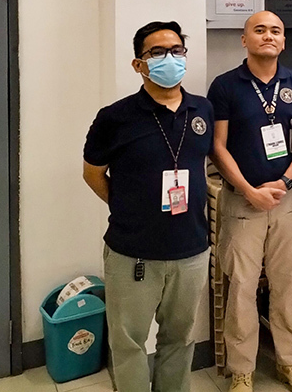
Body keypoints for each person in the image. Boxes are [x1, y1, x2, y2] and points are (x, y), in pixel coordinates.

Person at [82, 21, 213, 392]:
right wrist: (128, 208)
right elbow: (92, 174)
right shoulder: (115, 117)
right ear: (139, 64)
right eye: (157, 52)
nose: (169, 58)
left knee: (180, 339)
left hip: (190, 250)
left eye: (176, 50)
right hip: (132, 253)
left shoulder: (202, 110)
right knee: (128, 343)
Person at [207, 11, 292, 392]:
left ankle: (291, 362)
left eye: (276, 31)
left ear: (284, 41)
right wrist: (249, 190)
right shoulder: (224, 86)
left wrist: (286, 181)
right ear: (244, 39)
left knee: (288, 285)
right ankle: (242, 370)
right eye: (260, 30)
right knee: (241, 289)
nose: (268, 36)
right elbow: (217, 147)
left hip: (289, 200)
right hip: (242, 203)